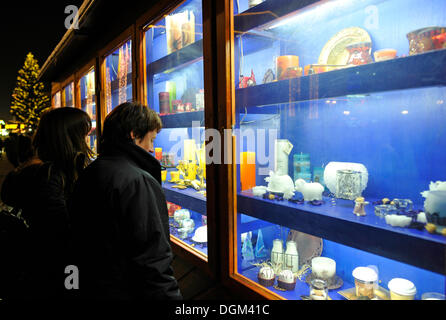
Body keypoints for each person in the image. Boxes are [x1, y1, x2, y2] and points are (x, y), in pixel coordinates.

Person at [69, 102, 182, 300]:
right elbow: (152, 260)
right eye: (151, 140)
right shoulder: (137, 181)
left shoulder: (93, 171)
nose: (151, 149)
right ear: (133, 134)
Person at [0, 107, 93, 300]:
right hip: (51, 271)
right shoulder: (48, 176)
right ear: (69, 137)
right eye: (84, 135)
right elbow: (60, 233)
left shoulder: (31, 167)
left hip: (33, 269)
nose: (87, 142)